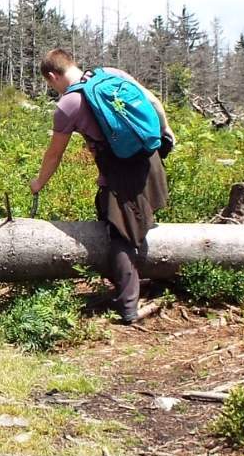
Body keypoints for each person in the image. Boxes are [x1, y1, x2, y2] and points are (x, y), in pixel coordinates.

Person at [28, 48, 171, 323]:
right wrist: (166, 133)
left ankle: (128, 308)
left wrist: (38, 183)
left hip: (122, 168)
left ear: (52, 75)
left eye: (50, 84)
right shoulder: (110, 74)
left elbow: (54, 154)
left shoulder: (68, 104)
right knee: (120, 215)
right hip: (149, 157)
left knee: (120, 234)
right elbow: (152, 101)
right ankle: (151, 278)